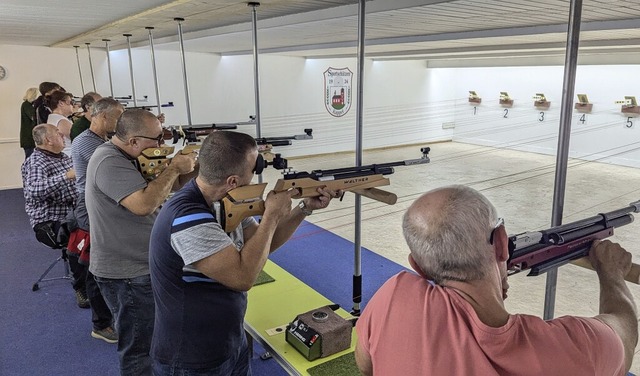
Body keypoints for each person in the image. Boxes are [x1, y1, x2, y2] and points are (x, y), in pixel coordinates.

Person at [354, 185, 638, 376]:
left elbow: (365, 365)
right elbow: (624, 336)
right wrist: (612, 274)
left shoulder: (392, 297)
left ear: (418, 267)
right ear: (502, 242)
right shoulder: (570, 347)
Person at [149, 131, 340, 375]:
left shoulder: (225, 201)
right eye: (253, 169)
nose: (255, 176)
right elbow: (243, 277)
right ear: (232, 181)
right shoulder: (188, 216)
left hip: (229, 341)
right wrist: (271, 215)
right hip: (193, 357)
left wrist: (304, 208)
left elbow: (261, 244)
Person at [85, 109, 197, 376]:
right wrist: (173, 168)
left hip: (142, 265)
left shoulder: (130, 156)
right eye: (157, 139)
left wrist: (196, 167)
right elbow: (144, 204)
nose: (161, 145)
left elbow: (166, 187)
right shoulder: (109, 161)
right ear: (134, 140)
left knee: (154, 339)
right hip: (128, 273)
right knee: (140, 349)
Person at [70, 98, 124, 344]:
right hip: (89, 206)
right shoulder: (86, 143)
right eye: (117, 117)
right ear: (102, 117)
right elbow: (116, 167)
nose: (120, 122)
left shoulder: (101, 140)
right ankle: (101, 324)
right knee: (96, 264)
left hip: (101, 203)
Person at [21, 124, 89, 308]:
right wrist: (66, 176)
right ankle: (81, 288)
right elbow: (34, 191)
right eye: (57, 134)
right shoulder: (36, 162)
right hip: (48, 223)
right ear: (48, 140)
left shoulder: (63, 157)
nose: (62, 135)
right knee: (80, 235)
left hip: (72, 214)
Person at [46, 90, 75, 155]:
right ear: (61, 103)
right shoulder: (61, 120)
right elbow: (77, 138)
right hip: (69, 154)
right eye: (71, 102)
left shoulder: (52, 117)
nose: (73, 105)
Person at [20, 87, 39, 158]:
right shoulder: (26, 105)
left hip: (30, 138)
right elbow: (33, 116)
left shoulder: (28, 105)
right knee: (30, 160)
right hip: (29, 138)